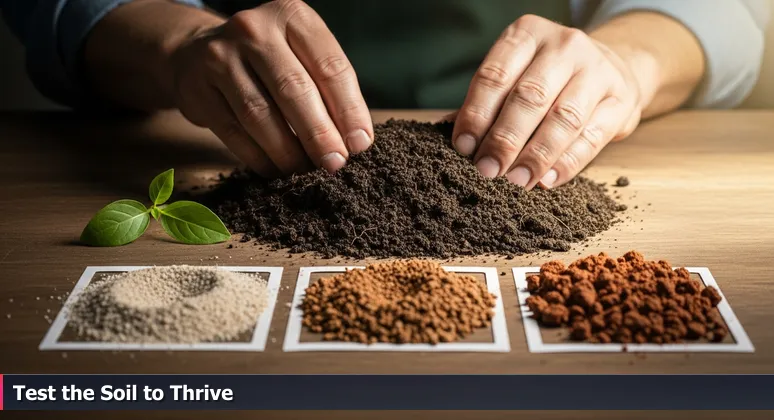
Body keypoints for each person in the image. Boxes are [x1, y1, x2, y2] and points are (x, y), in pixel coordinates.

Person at [1, 1, 769, 189]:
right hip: (228, 132)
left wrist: (628, 62)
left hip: (520, 144)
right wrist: (179, 48)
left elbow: (728, 14)